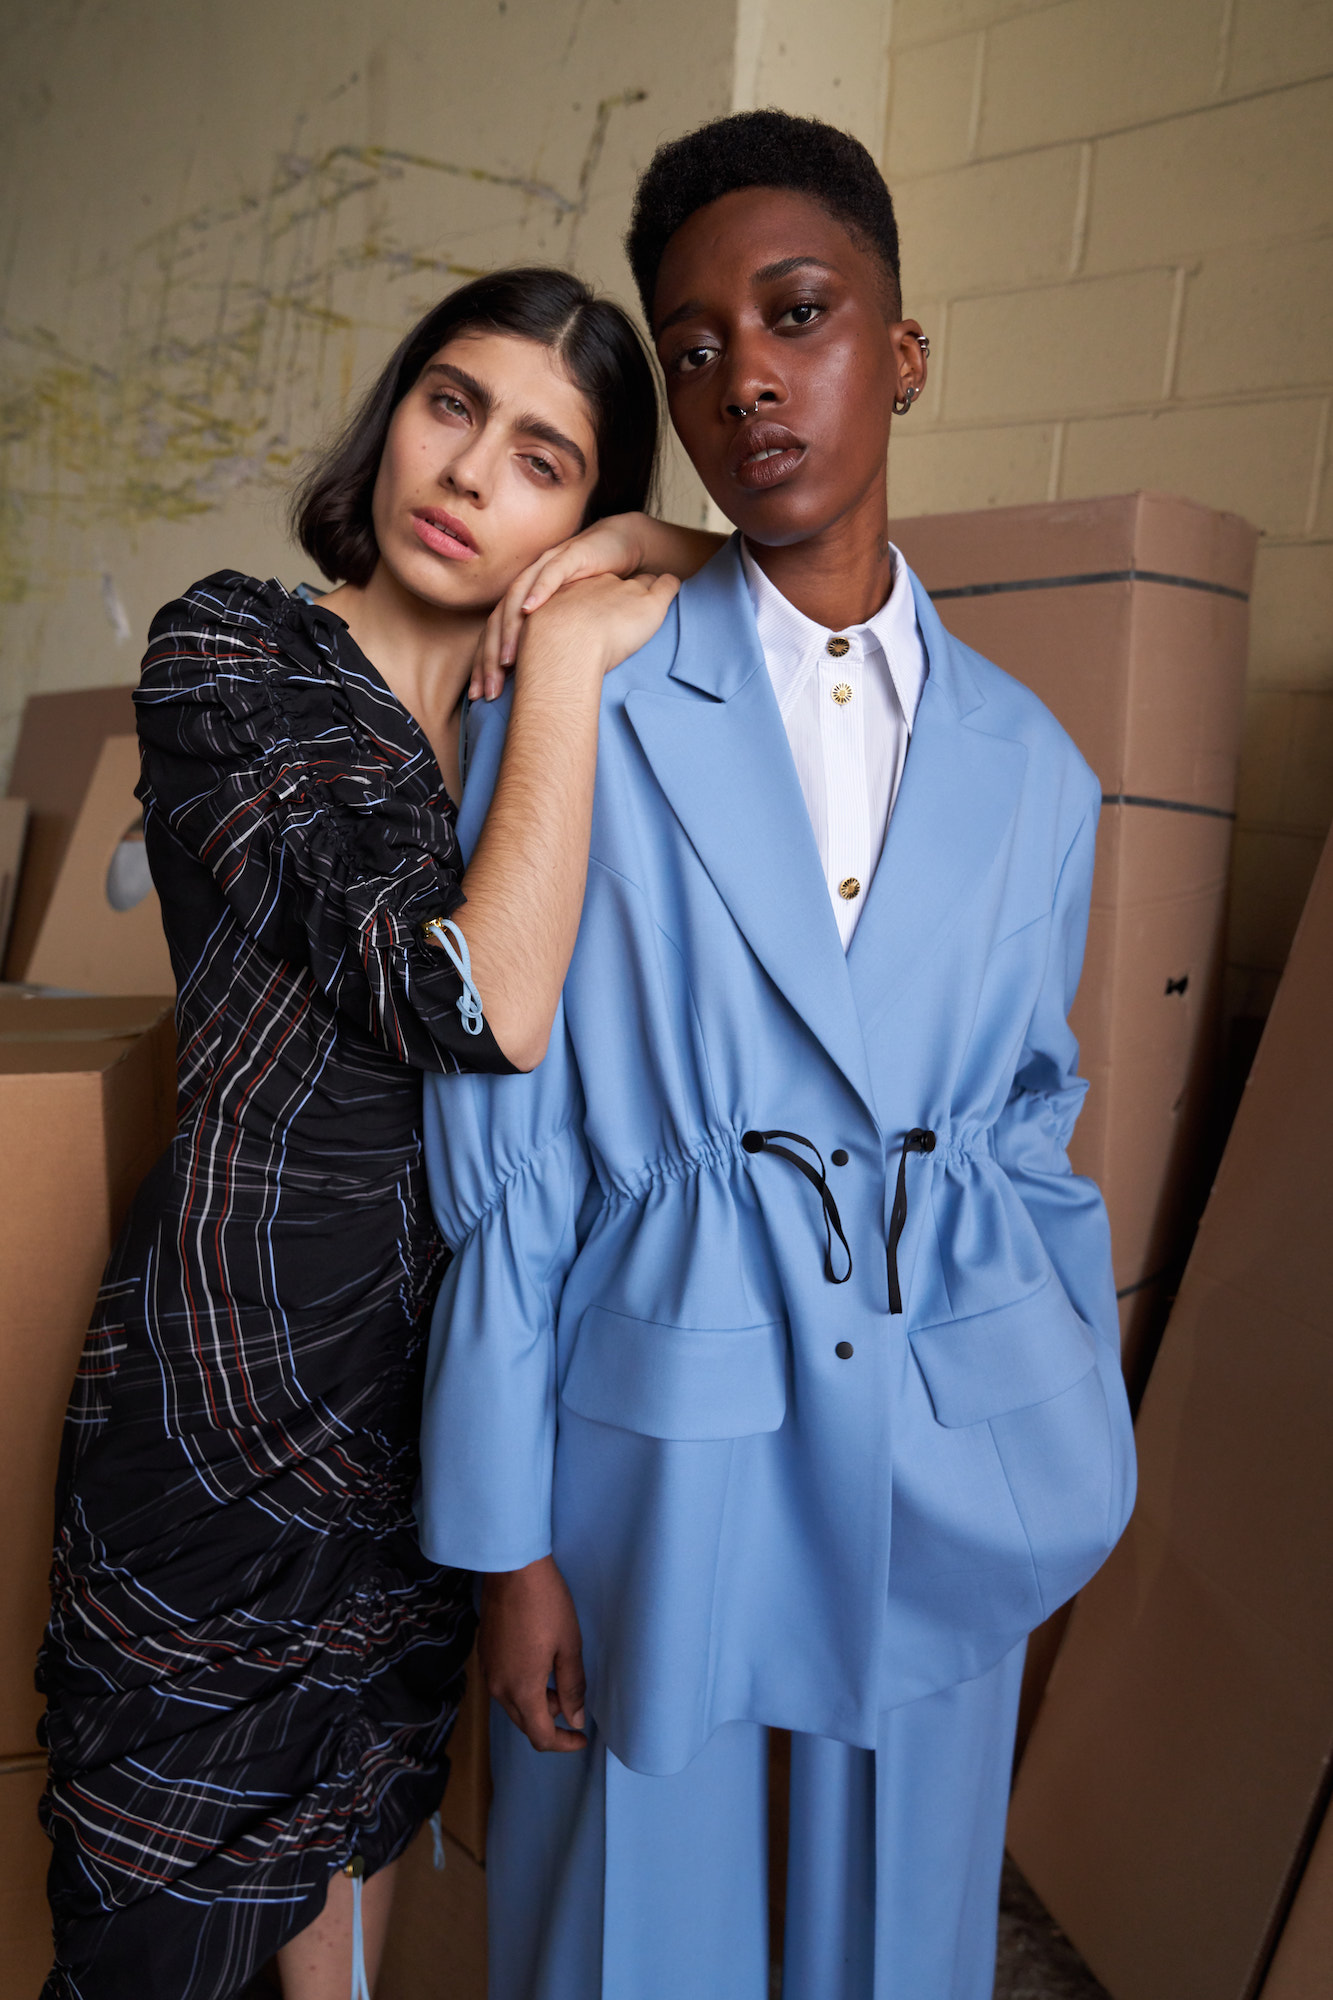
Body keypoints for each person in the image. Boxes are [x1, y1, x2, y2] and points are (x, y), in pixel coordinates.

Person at [416, 112, 1137, 2000]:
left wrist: (1056, 1395)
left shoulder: (1034, 769)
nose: (743, 374)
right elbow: (508, 1139)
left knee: (896, 1940)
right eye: (692, 346)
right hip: (662, 1449)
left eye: (795, 314)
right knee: (627, 1939)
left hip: (946, 1437)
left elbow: (1032, 1128)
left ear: (900, 352)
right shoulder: (581, 694)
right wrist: (507, 1547)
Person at [37, 266, 721, 2000]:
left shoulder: (508, 740)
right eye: (451, 404)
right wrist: (577, 647)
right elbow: (474, 1002)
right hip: (225, 1394)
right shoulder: (233, 649)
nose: (473, 472)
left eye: (546, 462)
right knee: (159, 1931)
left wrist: (640, 550)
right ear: (394, 410)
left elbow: (798, 583)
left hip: (442, 1408)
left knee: (359, 1847)